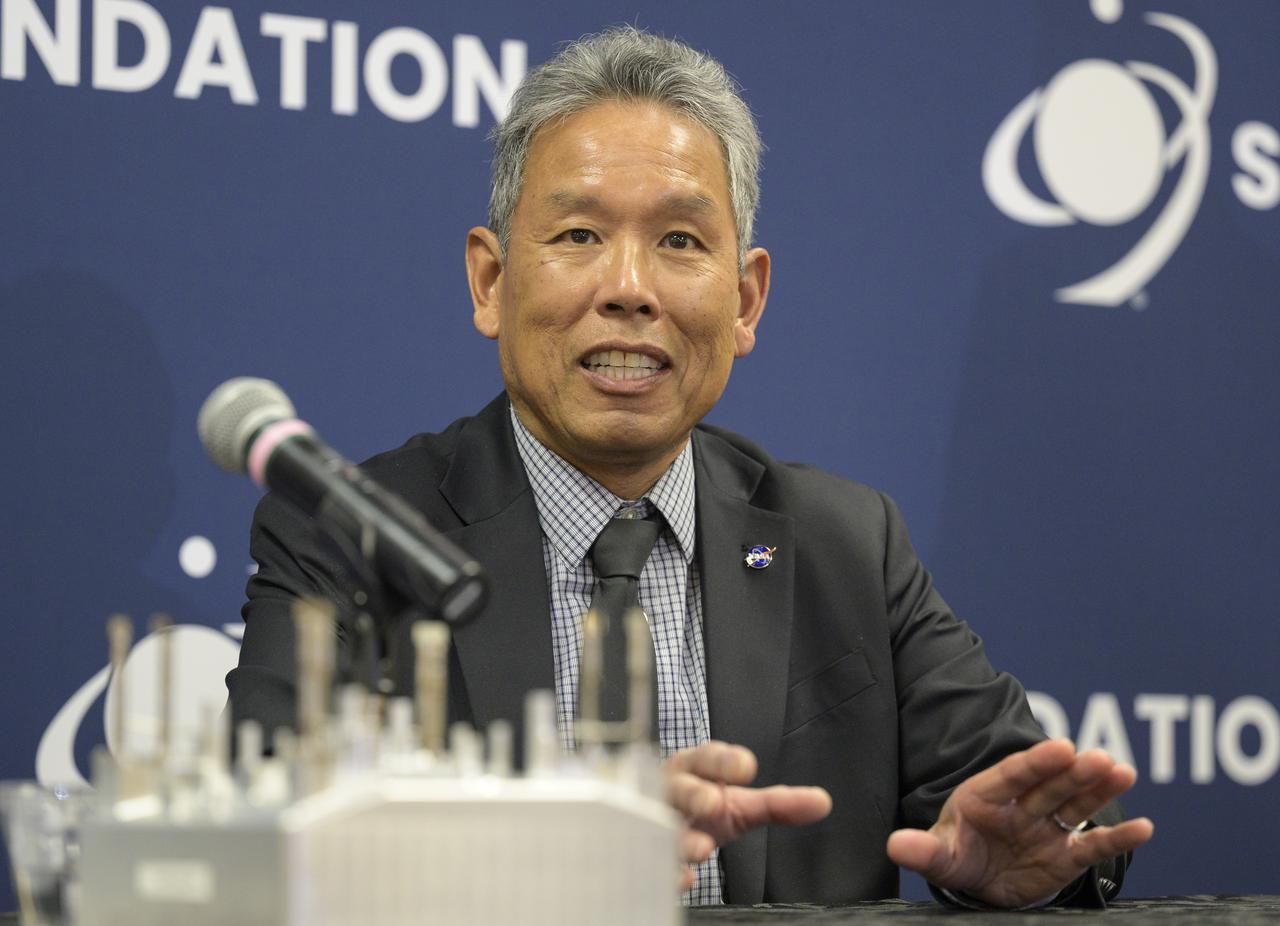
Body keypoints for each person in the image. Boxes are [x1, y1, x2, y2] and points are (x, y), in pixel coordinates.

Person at [229, 26, 1152, 908]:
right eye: (580, 235)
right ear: (491, 281)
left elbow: (1035, 806)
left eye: (679, 241)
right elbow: (266, 838)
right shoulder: (355, 534)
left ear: (746, 299)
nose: (629, 288)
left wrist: (1031, 857)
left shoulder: (847, 544)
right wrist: (548, 861)